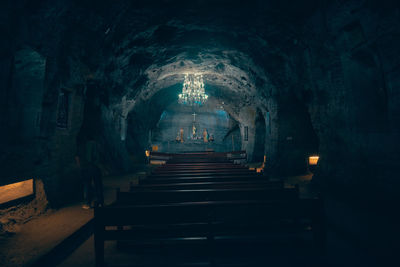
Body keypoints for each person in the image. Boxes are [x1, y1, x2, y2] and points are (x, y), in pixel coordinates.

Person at [75, 134, 104, 209]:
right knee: (98, 185)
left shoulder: (81, 146)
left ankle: (88, 203)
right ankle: (100, 202)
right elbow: (100, 154)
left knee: (87, 185)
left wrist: (79, 168)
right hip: (95, 167)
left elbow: (77, 157)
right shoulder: (95, 144)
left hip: (86, 168)